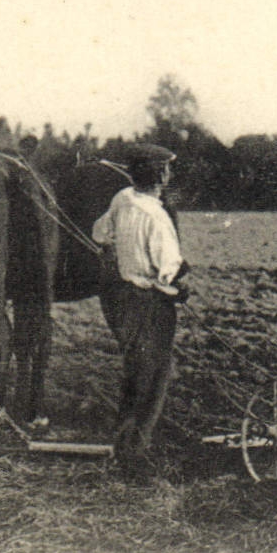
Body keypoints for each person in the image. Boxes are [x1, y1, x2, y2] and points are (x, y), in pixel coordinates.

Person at [92, 144, 188, 477]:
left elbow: (100, 232)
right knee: (153, 375)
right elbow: (168, 268)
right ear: (160, 175)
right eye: (168, 169)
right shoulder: (156, 216)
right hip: (150, 303)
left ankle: (124, 444)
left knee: (134, 372)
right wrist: (179, 283)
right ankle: (135, 455)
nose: (170, 175)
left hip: (122, 298)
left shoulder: (121, 199)